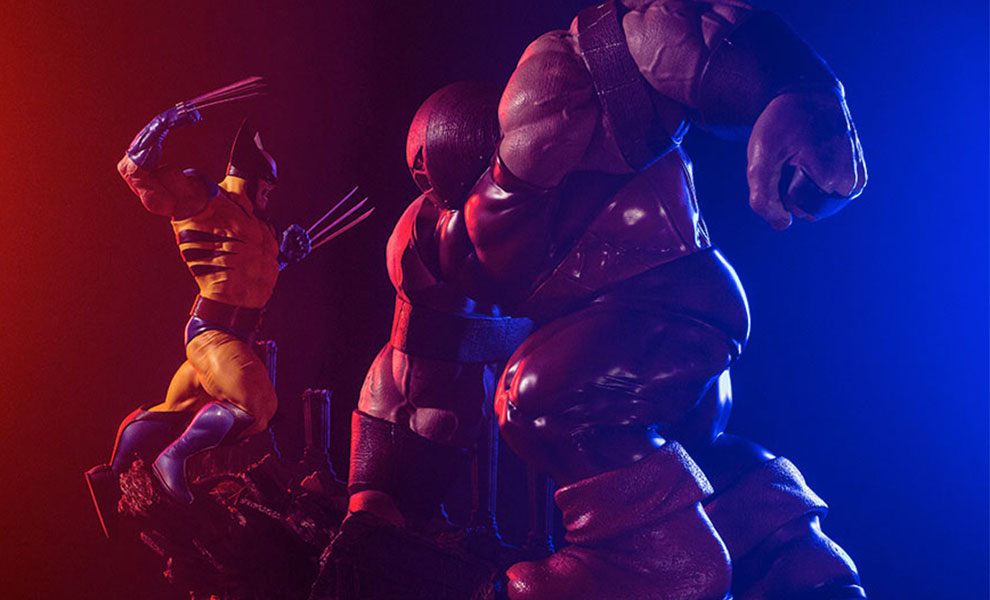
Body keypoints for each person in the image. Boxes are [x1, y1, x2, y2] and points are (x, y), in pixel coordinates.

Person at [350, 2, 868, 599]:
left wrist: (791, 91)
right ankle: (787, 552)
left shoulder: (553, 121)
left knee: (535, 398)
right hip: (671, 338)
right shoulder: (433, 243)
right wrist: (378, 498)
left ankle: (652, 566)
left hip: (675, 309)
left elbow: (647, 37)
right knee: (680, 449)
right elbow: (420, 380)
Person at [86, 82, 312, 537]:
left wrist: (285, 256)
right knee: (257, 407)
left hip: (234, 337)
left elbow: (247, 276)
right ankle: (172, 459)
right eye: (267, 180)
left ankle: (110, 475)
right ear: (249, 174)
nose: (272, 189)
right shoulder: (203, 198)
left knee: (174, 408)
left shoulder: (257, 224)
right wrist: (161, 125)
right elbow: (133, 169)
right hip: (212, 334)